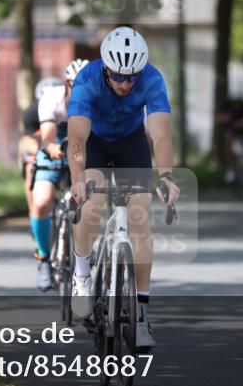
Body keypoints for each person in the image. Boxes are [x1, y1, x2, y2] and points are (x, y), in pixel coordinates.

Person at [67, 26, 180, 350]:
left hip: (131, 143)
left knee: (140, 214)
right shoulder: (87, 80)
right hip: (96, 144)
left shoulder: (152, 79)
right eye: (119, 76)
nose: (126, 83)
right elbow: (77, 140)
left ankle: (141, 316)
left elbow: (160, 134)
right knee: (90, 204)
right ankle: (83, 274)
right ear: (106, 68)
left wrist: (166, 176)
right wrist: (78, 178)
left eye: (132, 77)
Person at [29, 60, 89, 291]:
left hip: (82, 149)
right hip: (55, 145)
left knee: (86, 202)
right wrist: (52, 149)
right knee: (42, 201)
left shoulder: (95, 100)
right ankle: (44, 259)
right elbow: (47, 135)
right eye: (77, 85)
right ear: (67, 85)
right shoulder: (52, 98)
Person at [21, 77, 64, 283]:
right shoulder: (31, 112)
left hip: (65, 151)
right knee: (31, 167)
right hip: (40, 152)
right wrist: (40, 150)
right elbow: (27, 141)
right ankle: (34, 213)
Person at [217, 96, 243, 183]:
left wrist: (237, 123)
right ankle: (230, 169)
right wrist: (226, 118)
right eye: (235, 102)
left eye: (238, 102)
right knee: (228, 142)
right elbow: (218, 118)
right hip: (231, 133)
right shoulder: (227, 107)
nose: (236, 105)